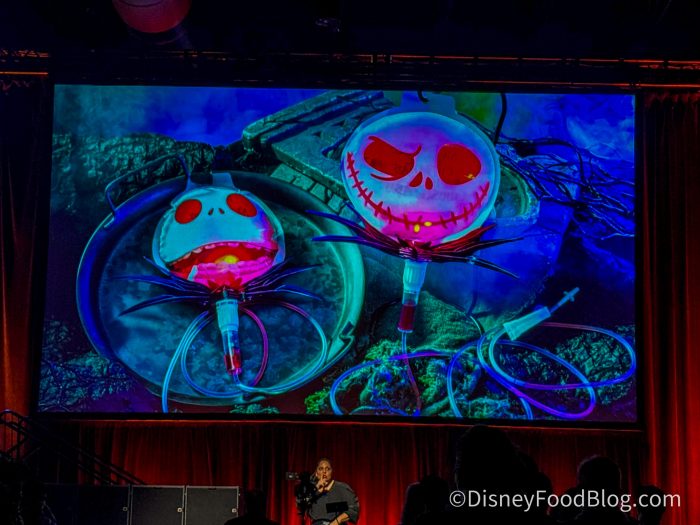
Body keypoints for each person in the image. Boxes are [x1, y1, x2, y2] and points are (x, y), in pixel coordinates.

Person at [306, 458, 359, 525]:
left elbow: (353, 509)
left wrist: (336, 522)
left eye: (328, 469)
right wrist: (316, 489)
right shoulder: (311, 491)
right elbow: (301, 505)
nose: (324, 471)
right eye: (321, 469)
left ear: (332, 471)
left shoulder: (342, 488)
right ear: (316, 473)